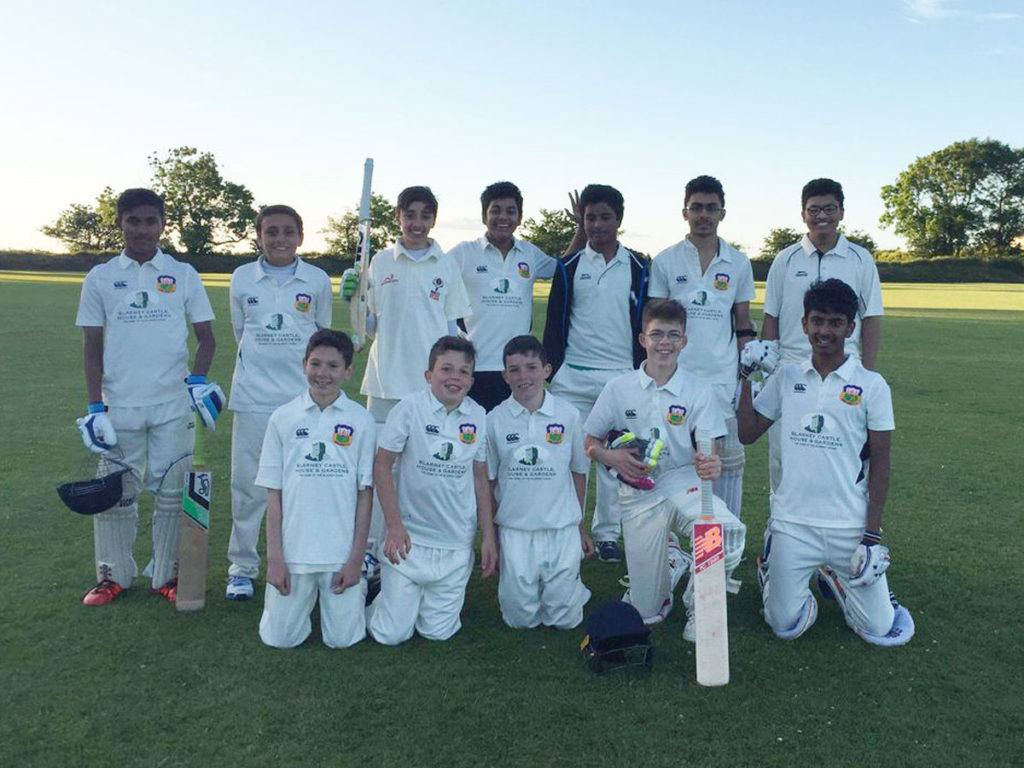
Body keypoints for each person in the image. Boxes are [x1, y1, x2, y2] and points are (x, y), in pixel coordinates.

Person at [736, 279, 914, 646]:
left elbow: (881, 462)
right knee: (784, 625)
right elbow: (748, 433)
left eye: (835, 323)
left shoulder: (872, 385)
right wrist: (743, 377)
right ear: (804, 324)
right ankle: (774, 565)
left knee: (880, 629)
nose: (824, 331)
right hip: (793, 523)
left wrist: (872, 536)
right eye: (817, 321)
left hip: (848, 525)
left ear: (851, 328)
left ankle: (835, 578)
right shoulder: (787, 376)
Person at [74, 188, 219, 606]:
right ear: (119, 223)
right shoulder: (101, 277)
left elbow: (206, 338)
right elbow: (91, 345)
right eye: (133, 221)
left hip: (173, 405)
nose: (142, 229)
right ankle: (112, 575)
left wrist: (197, 381)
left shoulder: (184, 273)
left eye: (150, 221)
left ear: (161, 225)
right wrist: (95, 407)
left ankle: (168, 574)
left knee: (173, 493)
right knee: (114, 495)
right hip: (118, 406)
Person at [583, 300, 745, 634]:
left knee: (723, 532)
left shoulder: (699, 389)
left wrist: (710, 462)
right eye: (657, 334)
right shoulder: (619, 388)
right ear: (643, 339)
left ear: (684, 342)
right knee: (646, 612)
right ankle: (674, 563)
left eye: (674, 335)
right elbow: (590, 443)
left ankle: (701, 606)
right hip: (638, 496)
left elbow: (707, 446)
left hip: (684, 482)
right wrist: (612, 457)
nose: (665, 343)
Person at [346, 186, 472, 568]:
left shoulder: (446, 265)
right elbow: (368, 327)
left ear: (434, 218)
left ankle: (415, 548)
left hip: (429, 390)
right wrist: (353, 301)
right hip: (385, 384)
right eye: (410, 214)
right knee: (377, 470)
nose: (417, 223)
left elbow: (453, 327)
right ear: (398, 216)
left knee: (420, 473)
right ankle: (371, 551)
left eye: (425, 215)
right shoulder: (380, 262)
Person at [224, 204, 333, 601]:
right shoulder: (241, 279)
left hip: (302, 401)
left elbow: (322, 337)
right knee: (248, 487)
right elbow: (242, 333)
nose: (280, 239)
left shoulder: (317, 279)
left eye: (288, 231)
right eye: (271, 231)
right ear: (259, 236)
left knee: (304, 484)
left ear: (301, 236)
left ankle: (301, 561)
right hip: (253, 399)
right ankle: (241, 567)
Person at [543, 184, 650, 563]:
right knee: (569, 455)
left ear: (619, 220)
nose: (598, 224)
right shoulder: (569, 266)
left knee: (614, 460)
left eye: (605, 217)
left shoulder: (638, 267)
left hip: (620, 377)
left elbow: (644, 322)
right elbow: (555, 321)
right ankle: (568, 527)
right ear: (582, 220)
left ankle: (607, 535)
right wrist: (549, 370)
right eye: (590, 217)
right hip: (572, 376)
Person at [368, 336, 497, 644]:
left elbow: (480, 478)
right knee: (391, 634)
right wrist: (394, 526)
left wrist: (488, 537)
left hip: (455, 544)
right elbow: (382, 466)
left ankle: (410, 599)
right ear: (429, 375)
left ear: (472, 379)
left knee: (436, 633)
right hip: (410, 541)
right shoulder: (410, 408)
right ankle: (376, 593)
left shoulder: (478, 415)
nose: (455, 378)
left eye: (464, 372)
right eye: (446, 369)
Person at [761, 178, 884, 493]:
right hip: (790, 369)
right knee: (784, 458)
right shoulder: (785, 259)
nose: (822, 216)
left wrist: (866, 373)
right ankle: (779, 531)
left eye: (829, 208)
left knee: (843, 454)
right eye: (814, 209)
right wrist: (767, 371)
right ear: (803, 214)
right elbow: (771, 317)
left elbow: (870, 319)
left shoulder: (860, 259)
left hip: (846, 372)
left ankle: (850, 532)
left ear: (841, 211)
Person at [255, 330, 375, 648]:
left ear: (348, 371)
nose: (323, 374)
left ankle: (363, 582)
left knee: (344, 640)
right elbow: (274, 494)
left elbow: (365, 495)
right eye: (315, 364)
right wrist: (275, 559)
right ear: (303, 364)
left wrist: (355, 559)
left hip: (341, 554)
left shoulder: (361, 421)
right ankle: (303, 605)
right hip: (295, 553)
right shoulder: (282, 419)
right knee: (279, 639)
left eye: (333, 366)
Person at [648, 175, 755, 519]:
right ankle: (672, 549)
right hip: (674, 378)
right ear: (685, 212)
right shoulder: (665, 260)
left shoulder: (738, 263)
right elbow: (655, 322)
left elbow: (742, 323)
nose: (704, 215)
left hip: (721, 380)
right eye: (697, 208)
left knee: (722, 464)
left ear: (722, 213)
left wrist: (749, 372)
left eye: (711, 208)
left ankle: (724, 545)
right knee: (672, 459)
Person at [486, 335, 593, 629]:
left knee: (566, 621)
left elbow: (578, 472)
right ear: (504, 375)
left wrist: (579, 525)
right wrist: (491, 536)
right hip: (516, 530)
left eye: (531, 367)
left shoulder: (568, 415)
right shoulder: (494, 420)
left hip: (561, 528)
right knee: (521, 620)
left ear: (547, 370)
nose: (524, 377)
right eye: (515, 369)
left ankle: (571, 586)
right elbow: (489, 482)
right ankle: (547, 585)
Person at [449, 182, 561, 411]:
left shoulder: (529, 253)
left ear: (519, 217)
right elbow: (431, 276)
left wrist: (580, 229)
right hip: (475, 366)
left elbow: (565, 269)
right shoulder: (464, 252)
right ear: (483, 216)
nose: (503, 217)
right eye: (495, 210)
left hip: (517, 369)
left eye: (510, 211)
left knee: (514, 439)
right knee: (475, 440)